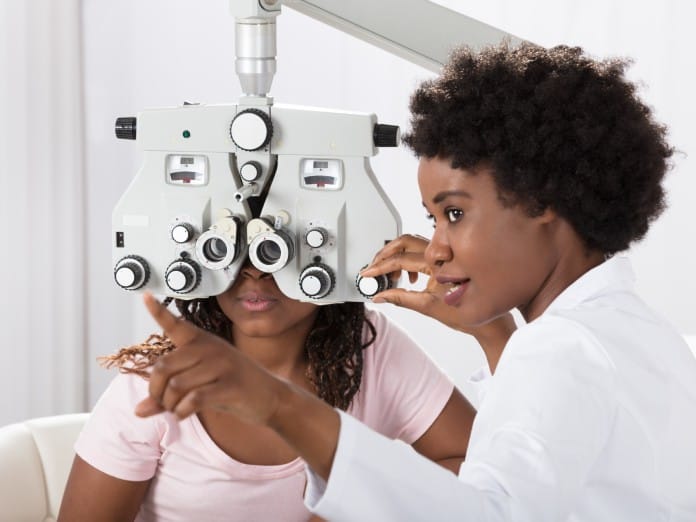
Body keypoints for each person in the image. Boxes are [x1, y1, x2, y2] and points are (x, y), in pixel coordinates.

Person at [119, 42, 696, 521]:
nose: (436, 249)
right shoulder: (640, 333)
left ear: (542, 201)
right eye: (432, 218)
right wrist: (494, 335)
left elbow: (486, 514)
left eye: (455, 214)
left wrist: (278, 405)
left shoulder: (561, 348)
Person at [59, 261, 513, 521]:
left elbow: (479, 475)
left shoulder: (372, 348)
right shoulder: (156, 379)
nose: (255, 273)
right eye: (232, 248)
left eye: (281, 250)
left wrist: (357, 498)